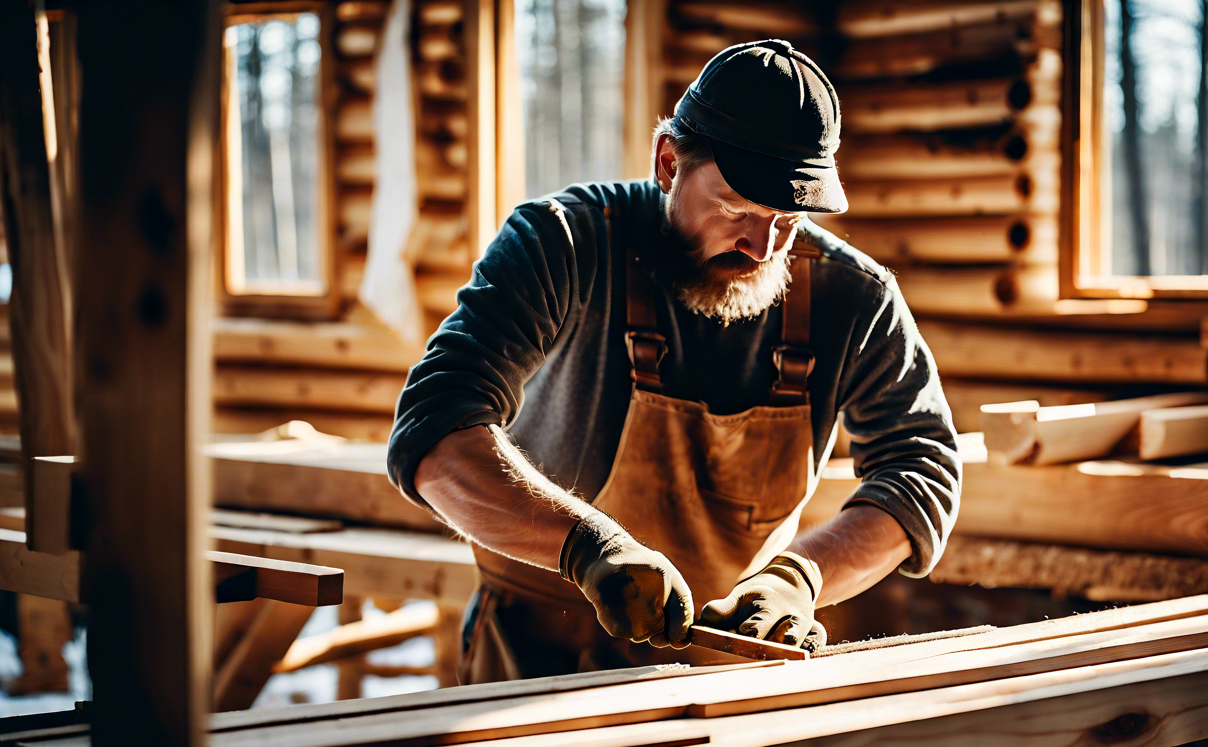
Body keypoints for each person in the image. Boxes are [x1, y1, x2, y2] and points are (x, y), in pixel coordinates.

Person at [387, 39, 960, 684]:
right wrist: (585, 548)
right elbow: (434, 431)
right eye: (736, 208)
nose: (762, 246)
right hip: (536, 659)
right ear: (668, 162)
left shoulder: (853, 296)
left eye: (788, 220)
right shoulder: (563, 245)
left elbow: (922, 469)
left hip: (727, 671)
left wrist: (801, 578)